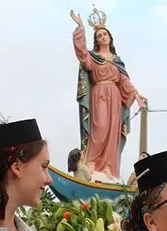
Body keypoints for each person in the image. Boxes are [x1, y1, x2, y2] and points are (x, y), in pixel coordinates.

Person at [70, 6, 146, 182]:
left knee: (112, 131)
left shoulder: (116, 60)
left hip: (115, 98)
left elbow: (124, 82)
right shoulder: (93, 57)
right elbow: (82, 55)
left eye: (104, 34)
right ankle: (93, 162)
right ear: (96, 40)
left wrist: (136, 96)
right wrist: (80, 27)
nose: (102, 37)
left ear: (110, 38)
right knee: (100, 127)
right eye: (99, 36)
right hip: (99, 95)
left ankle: (109, 168)